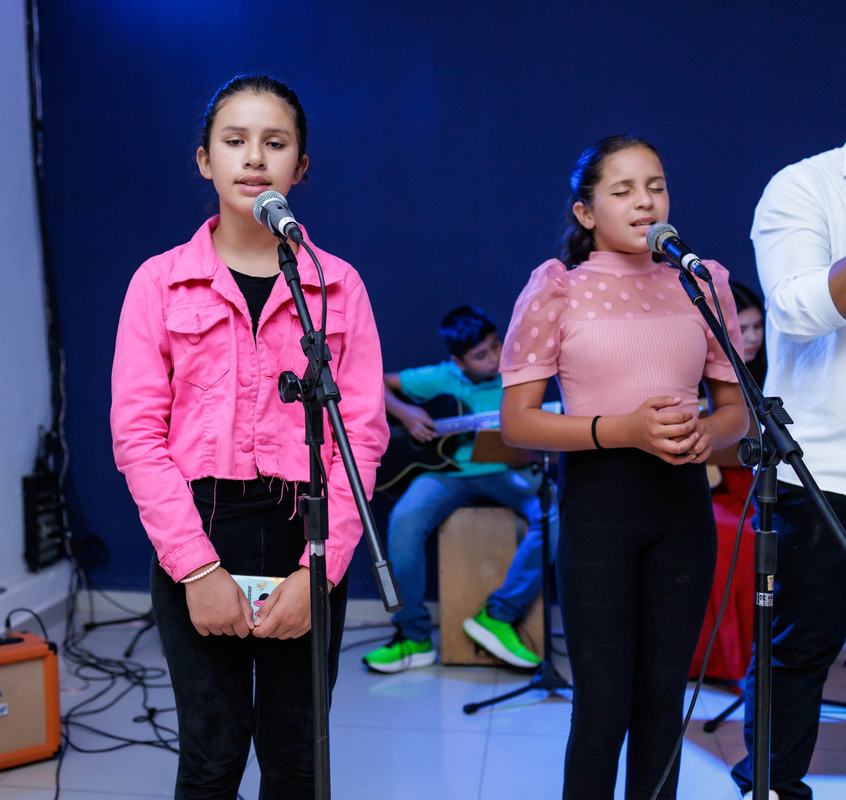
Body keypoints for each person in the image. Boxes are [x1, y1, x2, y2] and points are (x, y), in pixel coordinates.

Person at [109, 75, 387, 799]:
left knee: (298, 759)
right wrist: (197, 571)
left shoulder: (337, 285)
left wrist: (318, 574)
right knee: (211, 756)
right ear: (206, 160)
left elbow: (360, 438)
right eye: (235, 141)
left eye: (275, 142)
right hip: (199, 530)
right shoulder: (158, 283)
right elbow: (137, 435)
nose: (255, 158)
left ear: (302, 166)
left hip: (306, 533)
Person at [499, 133, 748, 800]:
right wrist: (624, 430)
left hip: (682, 513)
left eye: (656, 186)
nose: (645, 201)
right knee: (603, 706)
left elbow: (738, 411)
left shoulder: (701, 283)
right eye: (624, 190)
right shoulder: (558, 289)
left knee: (664, 704)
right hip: (598, 511)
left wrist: (708, 432)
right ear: (586, 212)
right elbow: (517, 422)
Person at [731, 141, 846, 800]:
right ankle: (771, 788)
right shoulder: (804, 186)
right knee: (800, 650)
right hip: (822, 472)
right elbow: (797, 309)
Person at [362, 305, 558, 673]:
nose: (495, 357)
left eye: (496, 345)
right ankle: (413, 636)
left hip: (507, 470)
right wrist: (406, 413)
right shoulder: (441, 376)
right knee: (404, 521)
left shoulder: (518, 372)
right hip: (446, 474)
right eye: (481, 355)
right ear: (458, 361)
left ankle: (498, 615)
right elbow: (376, 382)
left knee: (553, 513)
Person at [689, 281, 767, 683]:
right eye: (743, 329)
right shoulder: (704, 372)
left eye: (758, 327)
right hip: (716, 490)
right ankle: (730, 661)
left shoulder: (774, 368)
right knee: (737, 536)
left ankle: (763, 657)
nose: (751, 338)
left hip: (761, 487)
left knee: (766, 531)